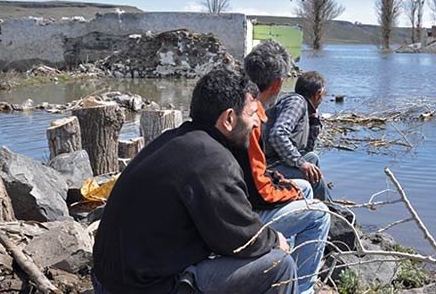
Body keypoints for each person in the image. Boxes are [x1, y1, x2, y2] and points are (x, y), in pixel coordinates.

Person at [92, 69, 297, 294]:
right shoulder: (214, 161)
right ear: (229, 119)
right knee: (280, 265)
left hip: (109, 278)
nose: (257, 123)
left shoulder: (174, 139)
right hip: (144, 287)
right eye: (251, 114)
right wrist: (275, 240)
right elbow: (243, 240)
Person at [234, 40, 330, 294]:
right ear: (277, 84)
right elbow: (259, 191)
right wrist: (290, 183)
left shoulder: (238, 105)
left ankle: (288, 265)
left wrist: (315, 122)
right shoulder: (251, 118)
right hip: (242, 213)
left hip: (244, 193)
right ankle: (302, 289)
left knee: (305, 187)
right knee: (319, 212)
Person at [263, 71, 330, 201]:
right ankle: (326, 211)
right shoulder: (297, 102)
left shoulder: (306, 109)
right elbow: (277, 134)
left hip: (278, 160)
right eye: (323, 94)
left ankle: (322, 205)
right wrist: (301, 164)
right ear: (317, 94)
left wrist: (314, 122)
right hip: (269, 166)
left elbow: (307, 150)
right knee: (314, 177)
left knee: (312, 158)